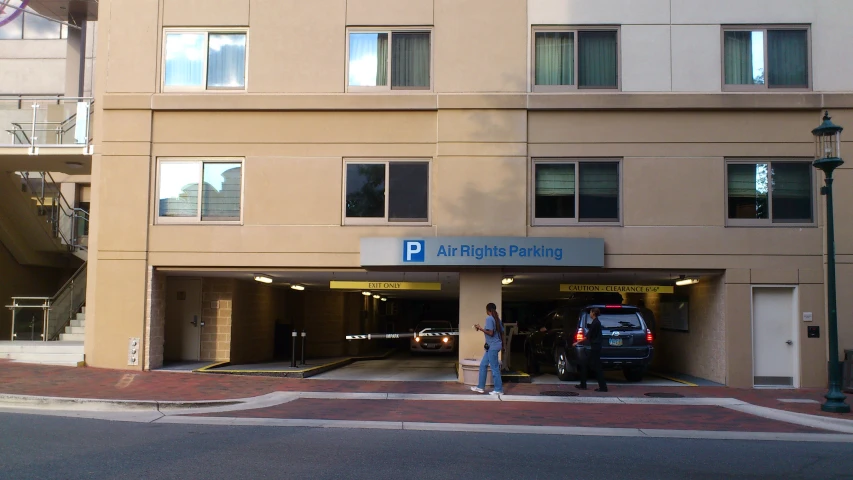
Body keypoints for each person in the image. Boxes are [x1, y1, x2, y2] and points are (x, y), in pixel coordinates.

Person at [471, 303, 504, 396]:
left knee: (494, 368)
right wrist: (503, 345)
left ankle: (498, 389)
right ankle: (480, 387)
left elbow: (491, 333)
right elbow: (502, 333)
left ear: (487, 310)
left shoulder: (489, 318)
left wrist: (480, 328)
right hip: (493, 346)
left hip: (493, 346)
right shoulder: (497, 319)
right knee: (483, 365)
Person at [574, 307, 607, 392]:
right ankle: (584, 384)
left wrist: (577, 342)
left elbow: (587, 336)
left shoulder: (595, 323)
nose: (590, 314)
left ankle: (602, 387)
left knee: (594, 367)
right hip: (596, 347)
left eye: (591, 312)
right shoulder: (596, 322)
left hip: (595, 348)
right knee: (588, 365)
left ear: (593, 313)